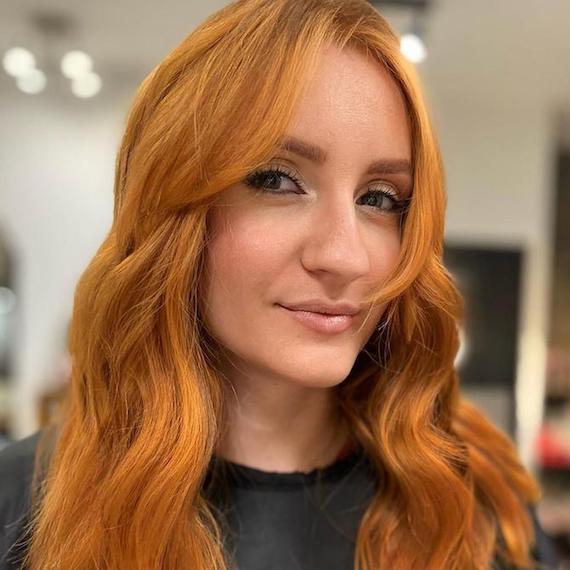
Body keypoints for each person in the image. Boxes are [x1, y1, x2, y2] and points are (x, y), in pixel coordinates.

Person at [0, 0, 560, 568]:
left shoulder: (475, 504)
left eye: (380, 199)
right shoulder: (23, 505)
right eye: (277, 180)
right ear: (173, 208)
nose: (344, 256)